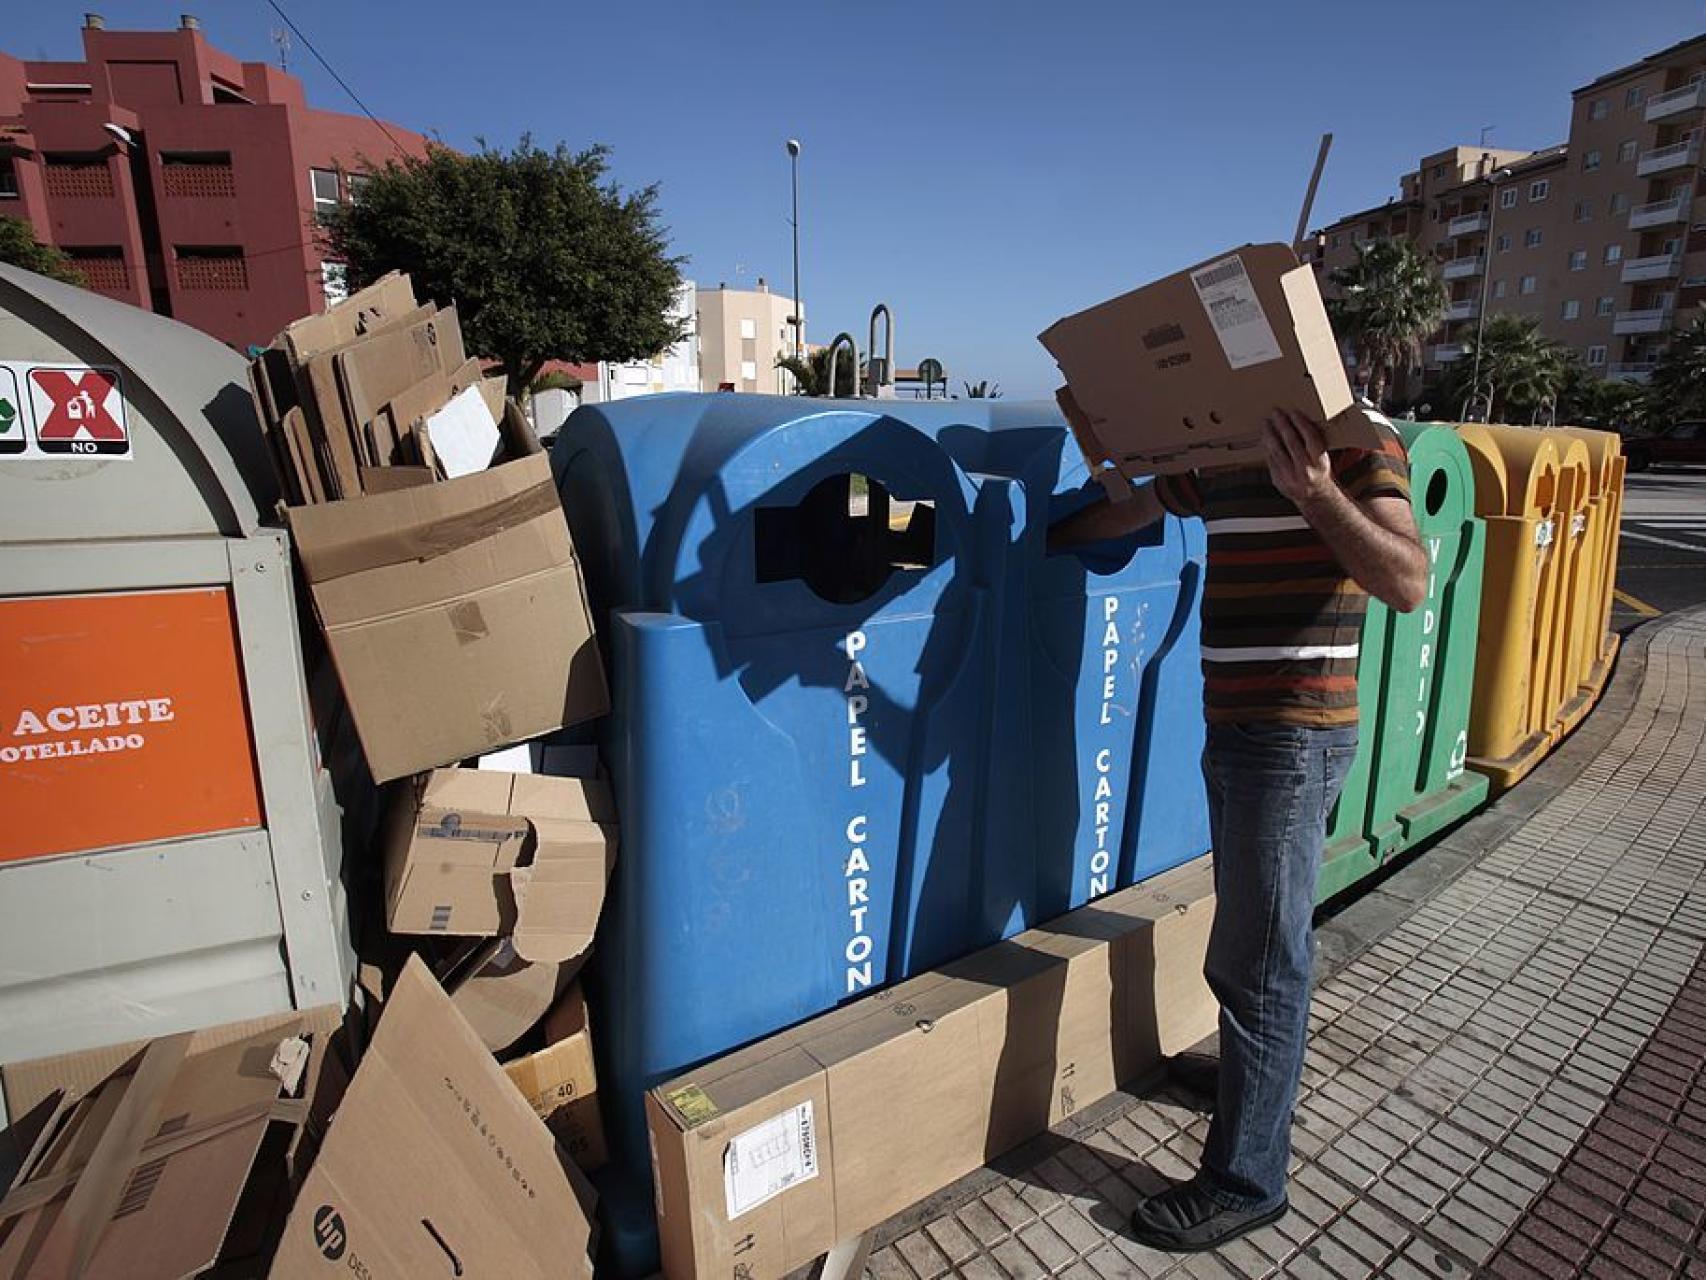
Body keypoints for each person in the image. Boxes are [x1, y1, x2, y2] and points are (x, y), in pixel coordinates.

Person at [1049, 406, 1426, 1252]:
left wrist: (1318, 492)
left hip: (1296, 735)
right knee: (1251, 937)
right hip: (1237, 728)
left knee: (1260, 961)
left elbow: (1407, 581)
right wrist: (1046, 530)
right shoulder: (1228, 448)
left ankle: (1247, 1179)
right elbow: (1138, 509)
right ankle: (1246, 1089)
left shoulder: (1360, 441)